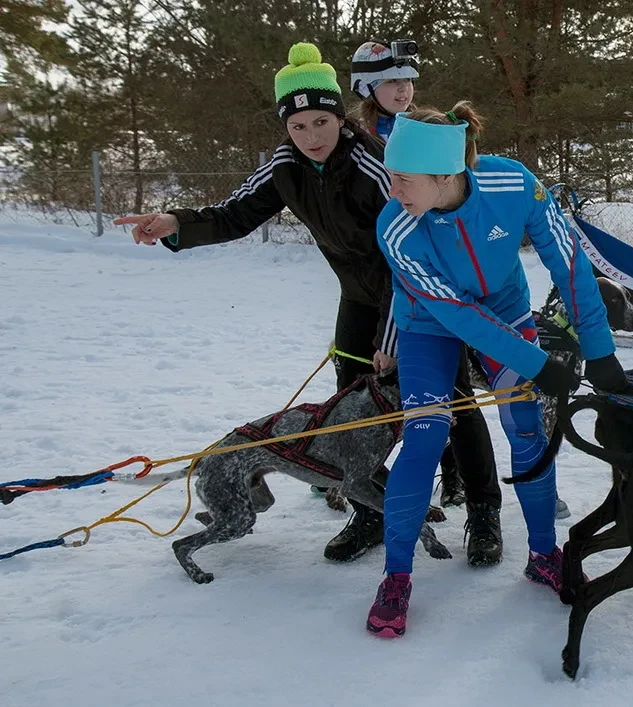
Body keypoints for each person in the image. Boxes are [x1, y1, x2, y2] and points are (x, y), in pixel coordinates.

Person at [113, 43, 502, 566]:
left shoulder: (374, 166)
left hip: (421, 295)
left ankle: (483, 513)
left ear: (340, 117)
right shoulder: (286, 166)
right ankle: (369, 513)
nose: (311, 136)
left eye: (322, 121)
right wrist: (176, 224)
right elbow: (234, 213)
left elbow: (409, 255)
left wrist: (392, 339)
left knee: (451, 403)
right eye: (298, 127)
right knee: (351, 410)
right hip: (358, 298)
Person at [365, 102, 629, 638]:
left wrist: (599, 350)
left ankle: (543, 553)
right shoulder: (396, 224)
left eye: (404, 179)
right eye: (392, 177)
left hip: (506, 310)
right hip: (428, 325)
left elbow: (570, 261)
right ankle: (396, 576)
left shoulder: (513, 184)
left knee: (527, 425)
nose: (394, 190)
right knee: (423, 436)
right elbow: (456, 313)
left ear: (447, 175)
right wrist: (539, 363)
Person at [348, 37, 509, 559]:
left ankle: (480, 502)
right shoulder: (356, 142)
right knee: (365, 391)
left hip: (426, 293)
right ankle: (366, 497)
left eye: (409, 80)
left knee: (454, 399)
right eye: (393, 81)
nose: (405, 89)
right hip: (371, 288)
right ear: (369, 88)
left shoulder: (423, 130)